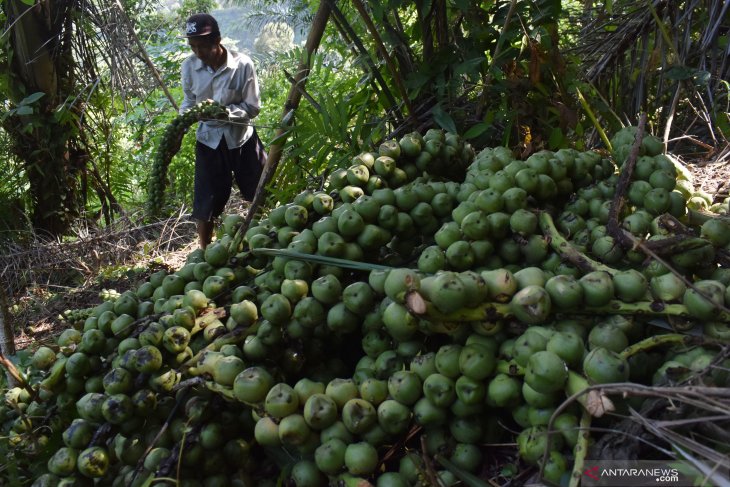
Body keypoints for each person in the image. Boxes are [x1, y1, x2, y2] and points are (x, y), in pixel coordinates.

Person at [178, 13, 266, 248]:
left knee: (260, 192)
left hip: (242, 139)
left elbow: (252, 106)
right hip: (209, 142)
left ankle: (266, 237)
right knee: (206, 204)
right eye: (193, 46)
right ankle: (206, 251)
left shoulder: (243, 64)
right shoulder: (189, 67)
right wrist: (185, 118)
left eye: (203, 46)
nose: (198, 52)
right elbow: (188, 102)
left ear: (217, 40)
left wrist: (226, 114)